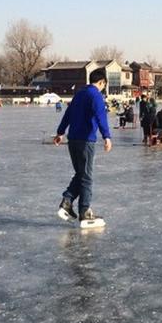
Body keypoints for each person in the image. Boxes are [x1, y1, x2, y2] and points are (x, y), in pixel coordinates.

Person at [54, 68, 112, 224]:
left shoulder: (79, 94)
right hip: (86, 140)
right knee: (86, 177)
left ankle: (67, 202)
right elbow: (101, 116)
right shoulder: (96, 95)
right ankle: (84, 211)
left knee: (80, 174)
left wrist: (60, 132)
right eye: (103, 85)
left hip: (72, 139)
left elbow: (68, 114)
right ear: (102, 82)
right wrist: (106, 136)